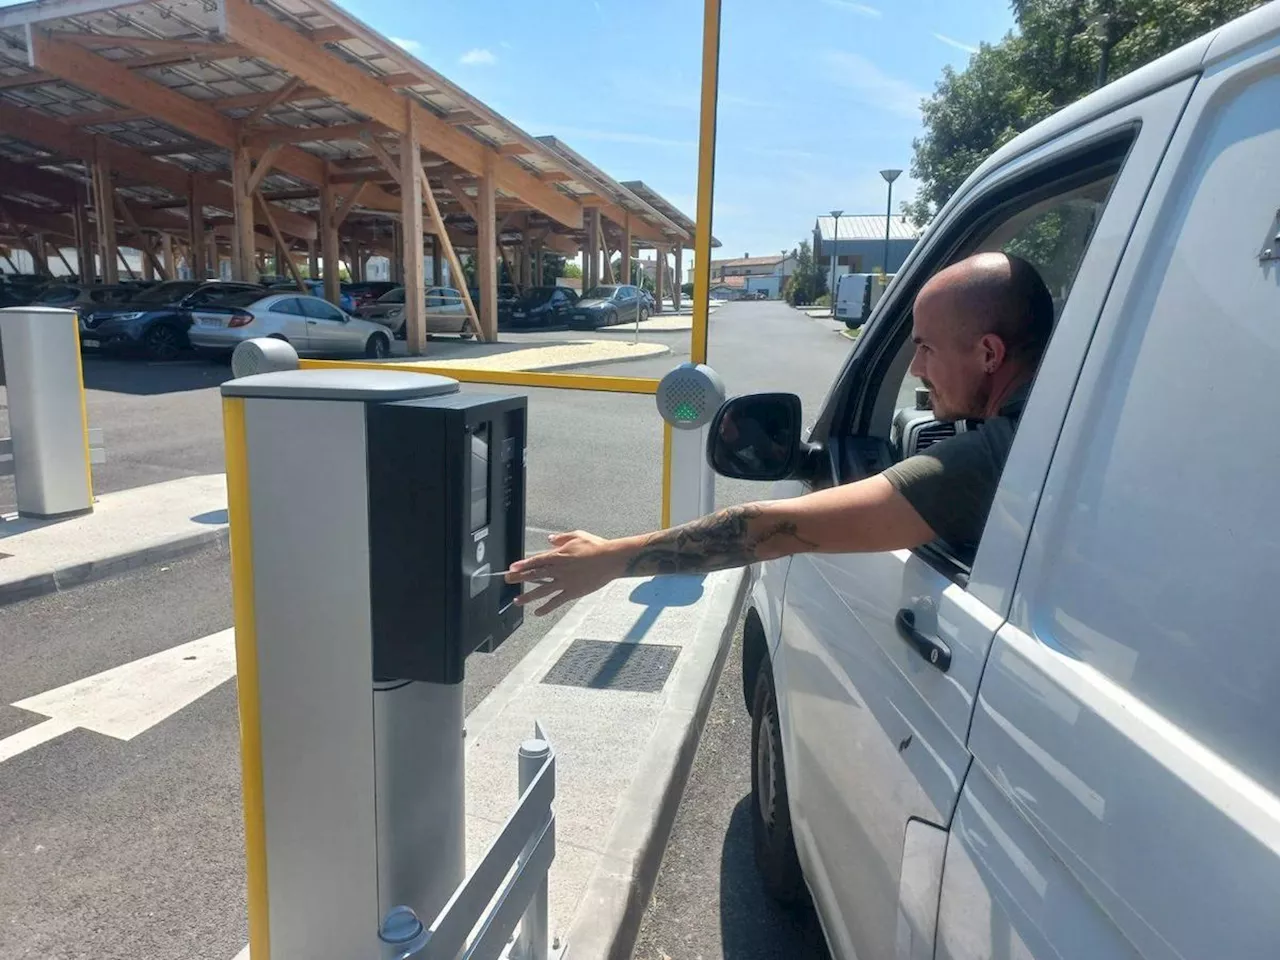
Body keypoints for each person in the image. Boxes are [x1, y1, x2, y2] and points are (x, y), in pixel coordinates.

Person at [506, 252, 1055, 615]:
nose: (916, 369)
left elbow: (773, 526)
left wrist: (611, 557)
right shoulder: (1057, 429)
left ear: (989, 354)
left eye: (926, 348)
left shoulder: (993, 461)